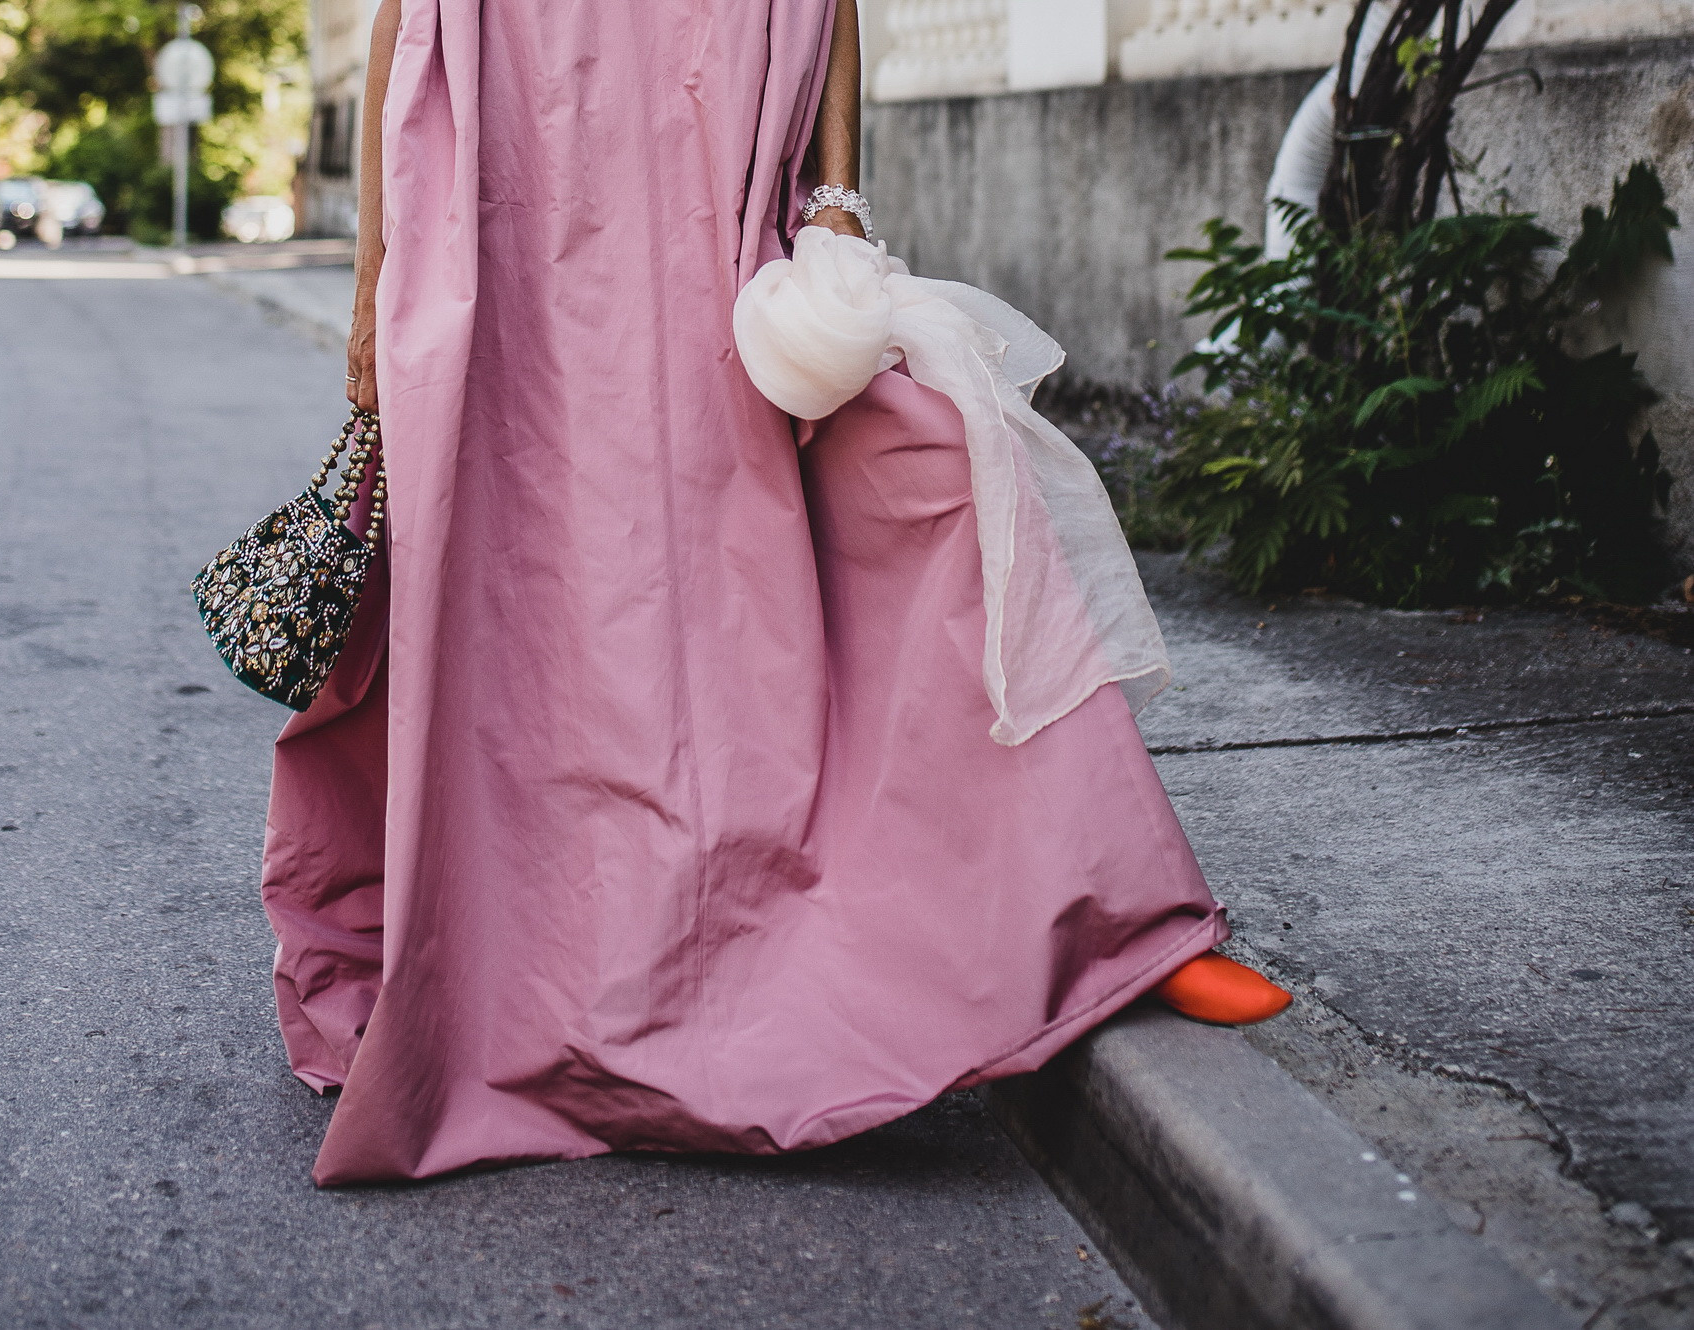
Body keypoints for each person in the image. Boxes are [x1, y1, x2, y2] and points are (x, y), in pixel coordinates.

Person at [261, 0, 1288, 1187]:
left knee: (928, 461)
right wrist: (376, 276)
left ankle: (1111, 907)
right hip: (519, 210)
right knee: (549, 616)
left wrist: (840, 204)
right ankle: (572, 991)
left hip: (721, 197)